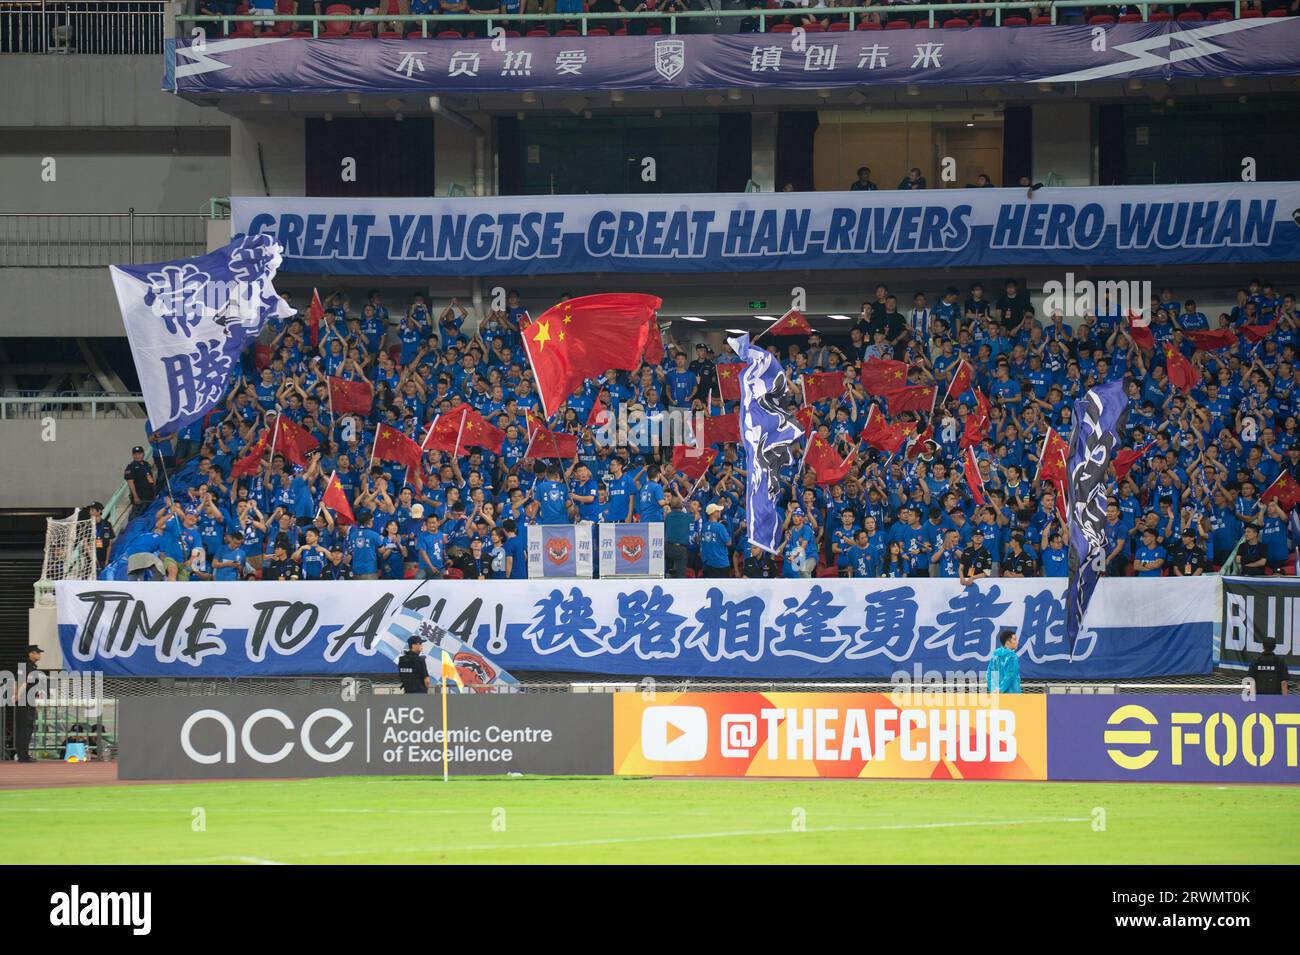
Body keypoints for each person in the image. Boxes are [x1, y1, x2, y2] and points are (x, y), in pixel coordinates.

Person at [11, 645, 43, 762]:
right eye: (37, 653)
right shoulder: (29, 666)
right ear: (30, 654)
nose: (39, 655)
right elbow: (24, 683)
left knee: (21, 728)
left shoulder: (22, 665)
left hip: (23, 700)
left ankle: (21, 755)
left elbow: (15, 680)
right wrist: (18, 696)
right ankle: (23, 756)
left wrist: (15, 695)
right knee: (26, 728)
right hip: (26, 701)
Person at [123, 445, 155, 520]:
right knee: (136, 517)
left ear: (143, 454)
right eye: (135, 454)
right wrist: (135, 496)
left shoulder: (146, 464)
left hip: (149, 496)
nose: (137, 456)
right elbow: (130, 482)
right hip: (140, 497)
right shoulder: (131, 467)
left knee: (147, 517)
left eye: (139, 454)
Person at [986, 630, 1021, 694]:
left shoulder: (995, 656)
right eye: (1015, 639)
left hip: (997, 695)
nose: (1017, 642)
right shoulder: (1012, 656)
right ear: (1007, 642)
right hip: (1012, 695)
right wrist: (1001, 689)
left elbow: (989, 674)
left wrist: (994, 690)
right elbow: (1010, 675)